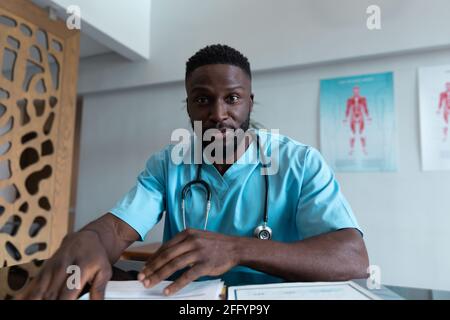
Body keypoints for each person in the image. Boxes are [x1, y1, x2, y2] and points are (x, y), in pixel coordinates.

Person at [18, 44, 369, 300]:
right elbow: (117, 228)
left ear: (249, 101)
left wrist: (237, 249)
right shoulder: (168, 164)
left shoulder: (300, 162)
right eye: (202, 99)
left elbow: (352, 258)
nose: (218, 113)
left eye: (232, 98)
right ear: (188, 104)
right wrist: (89, 239)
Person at [343, 86, 372, 155]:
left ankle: (364, 149)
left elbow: (365, 108)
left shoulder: (363, 99)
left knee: (362, 134)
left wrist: (368, 117)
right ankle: (351, 149)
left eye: (357, 90)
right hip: (353, 118)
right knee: (352, 135)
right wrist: (346, 119)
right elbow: (347, 109)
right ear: (353, 91)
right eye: (354, 90)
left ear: (358, 91)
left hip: (360, 117)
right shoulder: (350, 100)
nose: (356, 92)